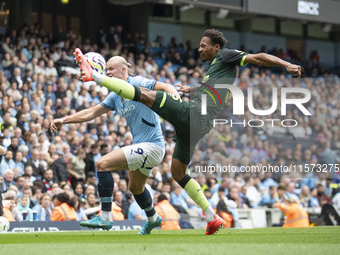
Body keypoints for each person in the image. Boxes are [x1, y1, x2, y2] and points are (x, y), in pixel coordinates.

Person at [74, 29, 301, 234]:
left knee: (142, 94)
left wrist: (286, 64)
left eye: (204, 45)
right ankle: (212, 217)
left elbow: (259, 58)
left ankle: (93, 75)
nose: (199, 49)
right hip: (199, 125)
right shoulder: (216, 67)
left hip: (193, 114)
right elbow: (213, 90)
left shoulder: (226, 55)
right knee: (178, 172)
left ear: (217, 48)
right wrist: (192, 89)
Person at [51, 55, 178, 234]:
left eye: (111, 69)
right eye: (106, 69)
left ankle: (105, 216)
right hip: (143, 147)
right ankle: (152, 218)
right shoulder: (115, 95)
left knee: (102, 164)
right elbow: (92, 113)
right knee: (135, 188)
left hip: (153, 145)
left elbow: (166, 87)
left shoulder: (138, 82)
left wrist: (177, 104)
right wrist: (64, 120)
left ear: (124, 69)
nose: (108, 72)